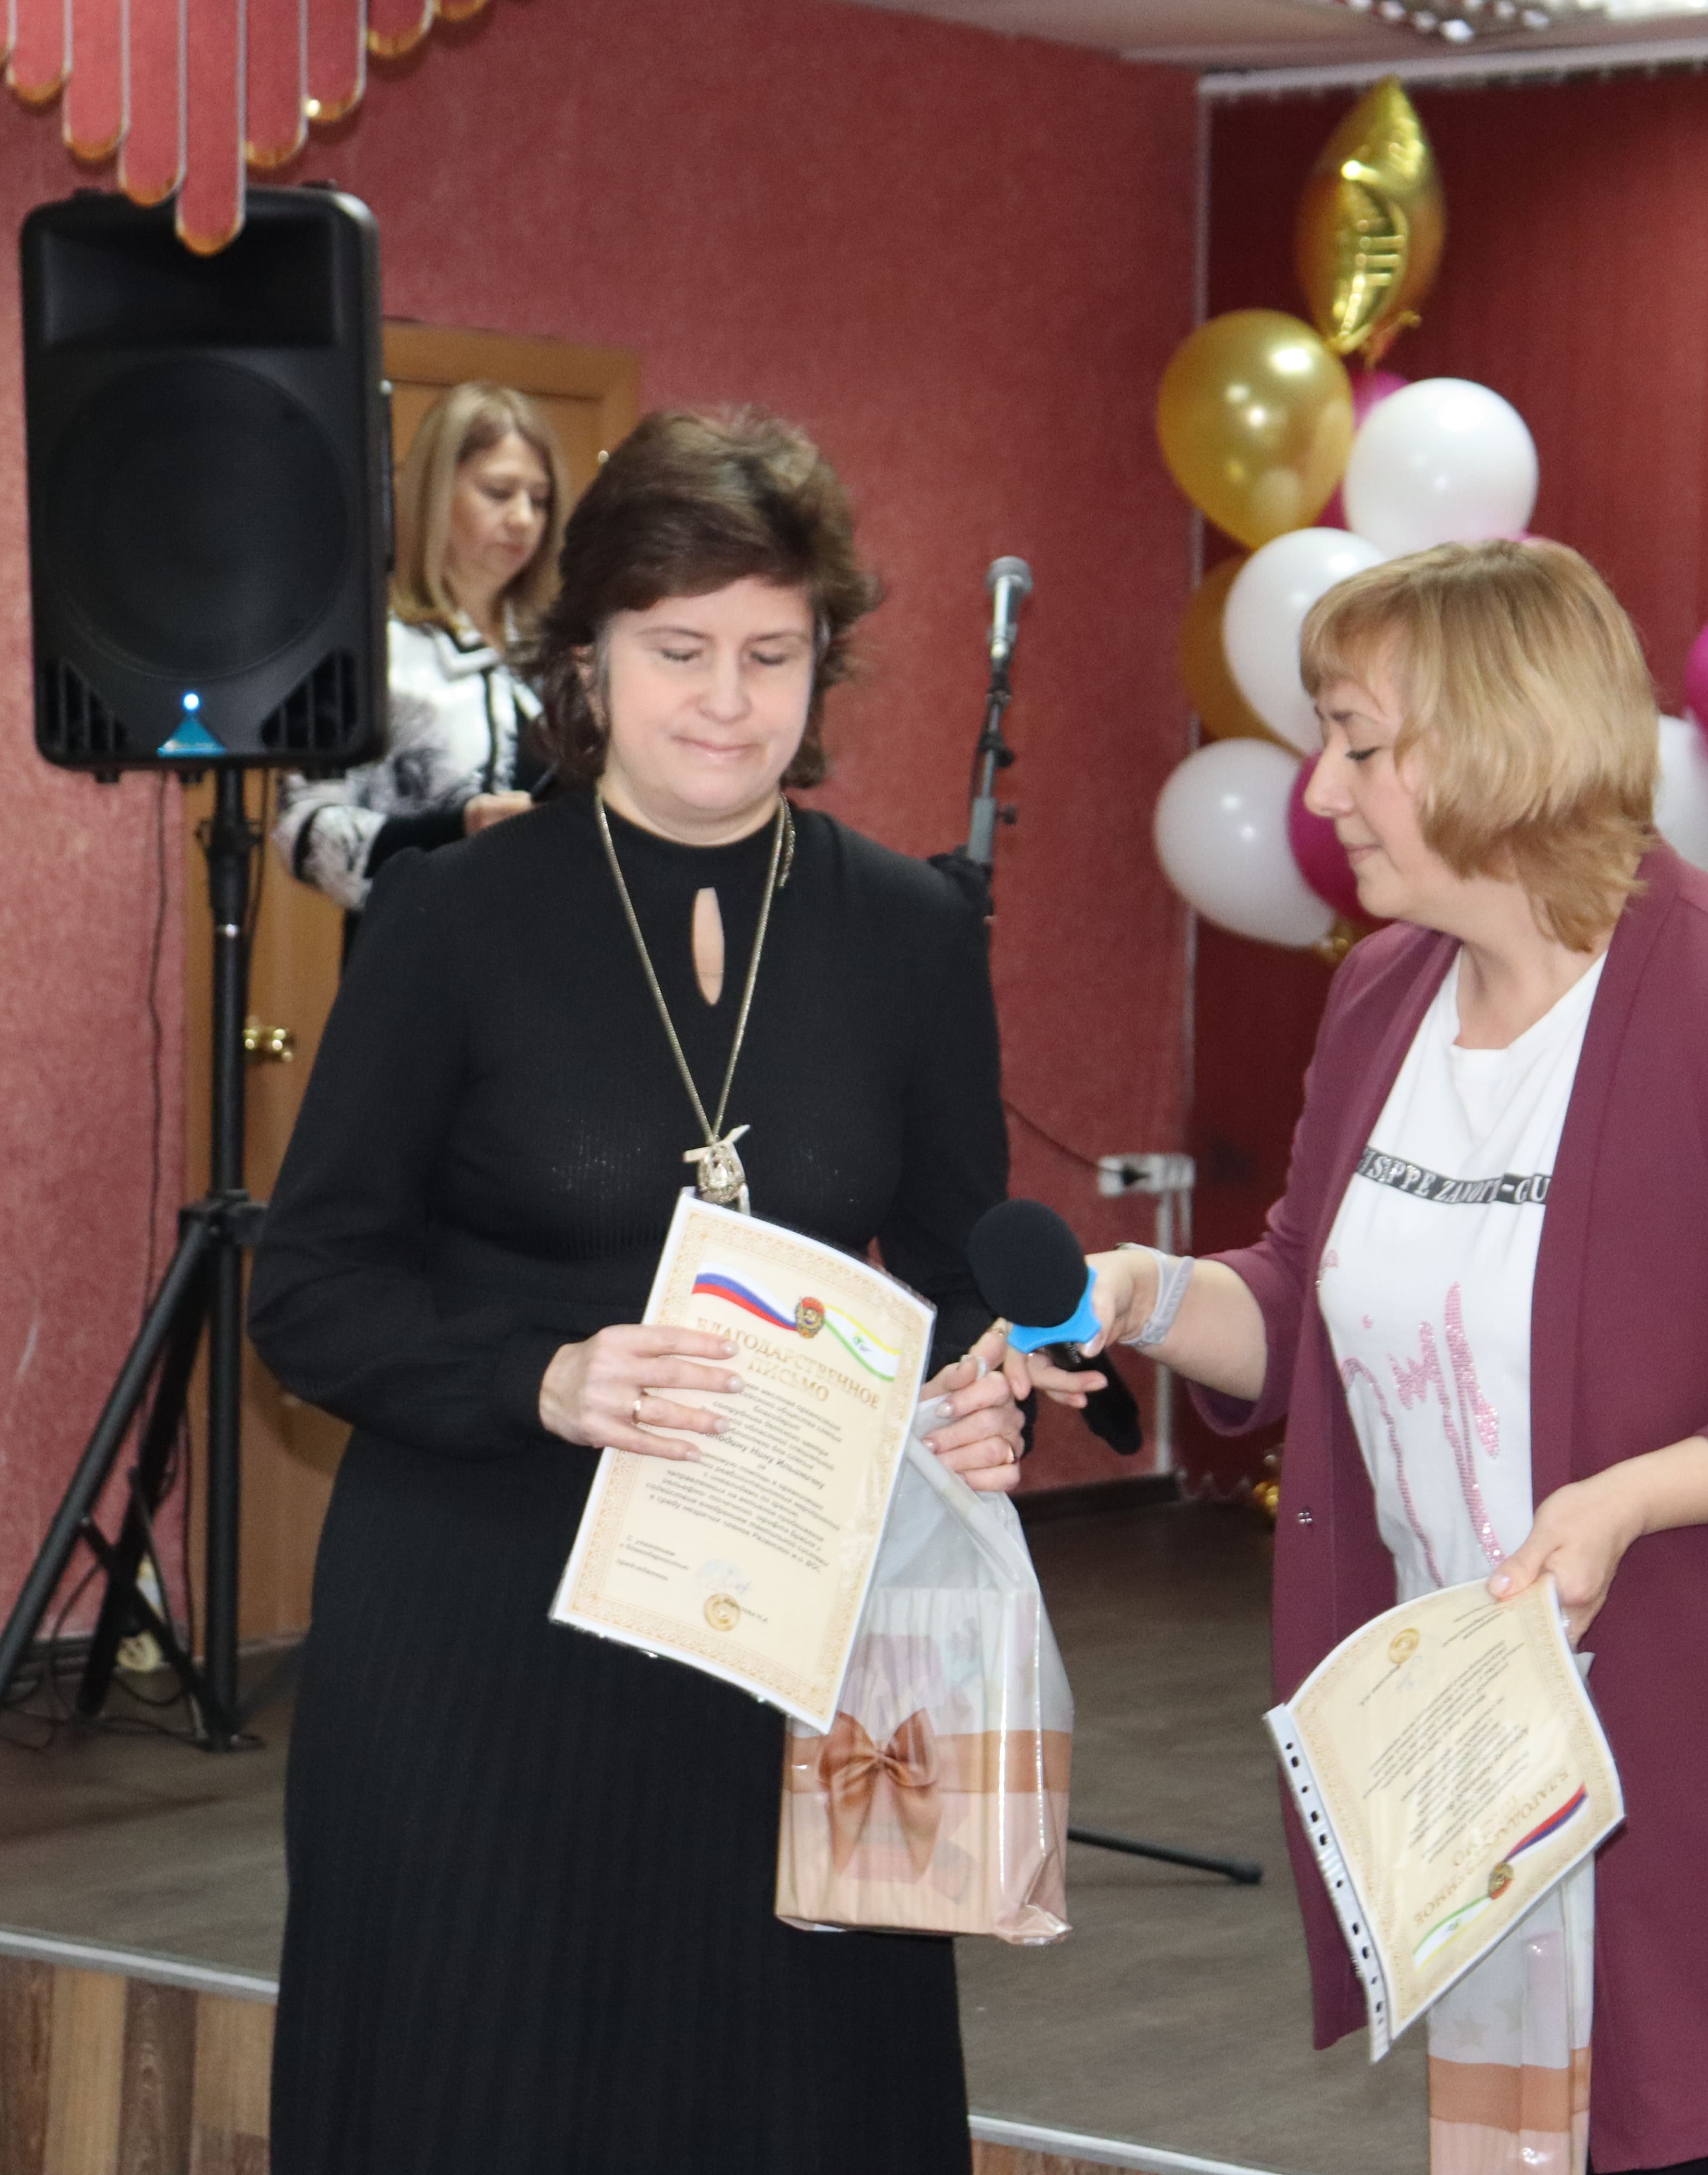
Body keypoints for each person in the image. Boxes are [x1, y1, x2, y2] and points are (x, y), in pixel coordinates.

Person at [1029, 540, 1708, 2175]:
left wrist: (1630, 1496)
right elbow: (1310, 1295)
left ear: (1499, 743)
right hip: (1494, 1793)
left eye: (1359, 743)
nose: (1321, 791)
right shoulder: (1382, 996)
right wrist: (1141, 1293)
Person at [249, 408, 1028, 2175]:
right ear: (589, 655)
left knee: (785, 2106)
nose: (729, 701)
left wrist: (985, 1393)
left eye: (773, 653)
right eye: (681, 650)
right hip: (479, 1642)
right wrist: (540, 1377)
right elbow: (310, 1290)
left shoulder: (911, 935)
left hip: (784, 1649)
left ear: (826, 661)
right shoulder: (452, 922)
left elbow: (966, 1270)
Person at [274, 380, 568, 912]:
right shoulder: (365, 652)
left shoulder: (565, 652)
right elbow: (302, 833)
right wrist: (459, 827)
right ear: (435, 492)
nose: (524, 519)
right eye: (499, 492)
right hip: (414, 949)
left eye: (540, 500)